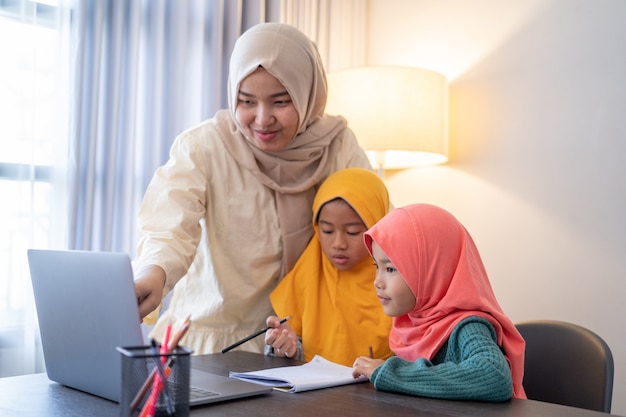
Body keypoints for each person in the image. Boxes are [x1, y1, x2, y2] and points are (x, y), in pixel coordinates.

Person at [133, 22, 372, 355]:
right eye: (246, 101)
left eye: (280, 102)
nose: (262, 119)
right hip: (206, 341)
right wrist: (153, 273)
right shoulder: (204, 146)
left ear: (307, 93)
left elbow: (375, 227)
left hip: (300, 345)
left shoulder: (337, 147)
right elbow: (168, 225)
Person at [351, 204, 526, 402]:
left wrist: (393, 373)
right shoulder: (411, 322)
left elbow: (494, 376)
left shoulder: (467, 326)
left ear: (431, 270)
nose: (377, 282)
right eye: (377, 266)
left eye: (390, 269)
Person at [264, 168, 394, 366]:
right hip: (314, 391)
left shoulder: (398, 280)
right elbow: (293, 349)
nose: (338, 243)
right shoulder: (306, 273)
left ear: (377, 227)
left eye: (352, 232)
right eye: (327, 230)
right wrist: (285, 346)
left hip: (377, 392)